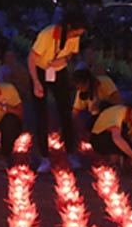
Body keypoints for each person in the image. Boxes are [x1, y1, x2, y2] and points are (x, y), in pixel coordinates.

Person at [27, 11, 87, 160]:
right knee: (41, 114)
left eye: (79, 35)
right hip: (40, 71)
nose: (76, 37)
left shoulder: (74, 37)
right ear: (68, 27)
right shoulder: (47, 35)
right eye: (75, 33)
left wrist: (64, 60)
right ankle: (44, 156)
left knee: (66, 110)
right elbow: (31, 58)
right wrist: (36, 82)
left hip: (59, 71)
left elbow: (72, 53)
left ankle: (71, 151)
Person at [88, 96, 132, 169]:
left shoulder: (129, 115)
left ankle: (125, 163)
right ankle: (112, 164)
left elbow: (131, 134)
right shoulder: (118, 113)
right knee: (118, 143)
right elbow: (116, 138)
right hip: (100, 138)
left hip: (116, 137)